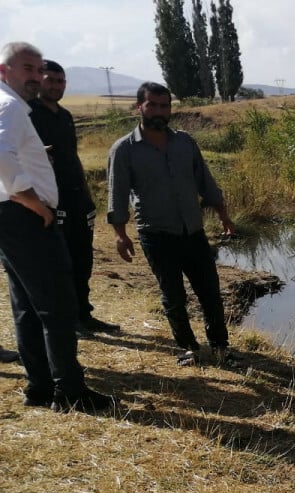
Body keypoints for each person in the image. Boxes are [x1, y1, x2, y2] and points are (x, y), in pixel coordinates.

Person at [0, 42, 115, 411]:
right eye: (27, 69)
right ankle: (70, 391)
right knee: (58, 306)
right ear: (5, 71)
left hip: (11, 215)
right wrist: (31, 199)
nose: (35, 76)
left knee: (27, 306)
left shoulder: (9, 105)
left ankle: (40, 387)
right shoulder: (11, 107)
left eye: (38, 69)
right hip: (24, 215)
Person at [107, 81, 239, 367]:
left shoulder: (184, 142)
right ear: (139, 107)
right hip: (156, 235)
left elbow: (207, 183)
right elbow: (116, 195)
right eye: (152, 104)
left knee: (210, 292)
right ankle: (190, 348)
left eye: (164, 105)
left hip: (193, 231)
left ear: (170, 109)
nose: (158, 111)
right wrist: (120, 234)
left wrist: (225, 217)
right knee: (174, 296)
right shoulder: (125, 150)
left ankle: (220, 347)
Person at [29, 59, 120, 335]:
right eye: (50, 80)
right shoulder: (29, 115)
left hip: (77, 198)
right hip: (50, 201)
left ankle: (83, 314)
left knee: (83, 259)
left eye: (60, 81)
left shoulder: (65, 116)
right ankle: (66, 321)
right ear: (39, 81)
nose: (56, 86)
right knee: (61, 263)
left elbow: (72, 157)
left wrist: (87, 194)